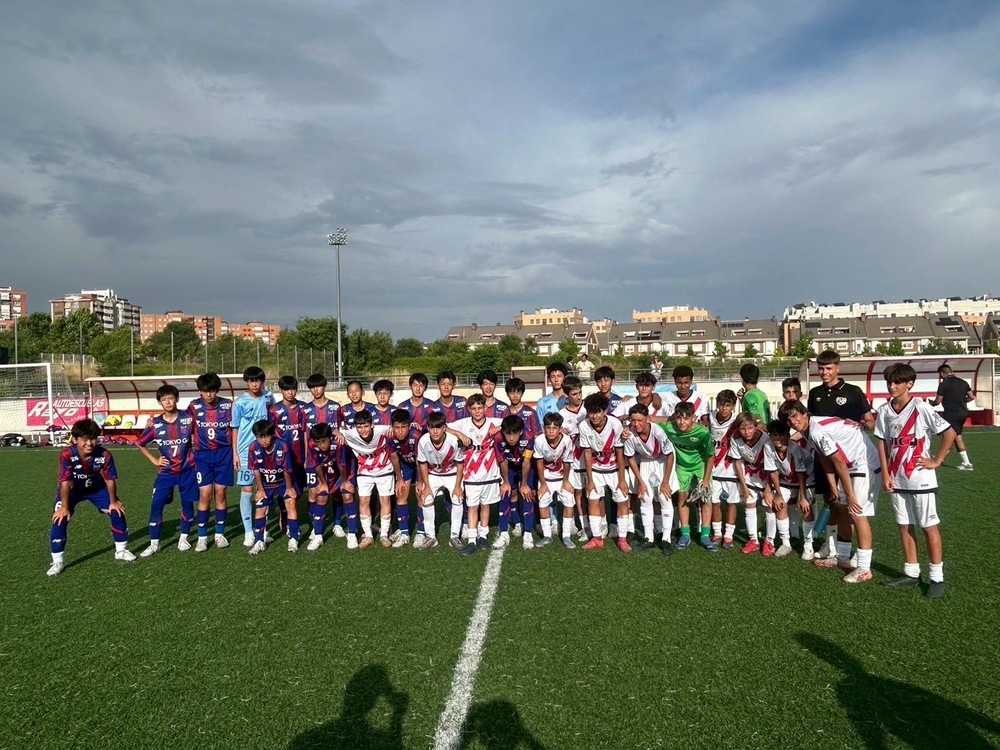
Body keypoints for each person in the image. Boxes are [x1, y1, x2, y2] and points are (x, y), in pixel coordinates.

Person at [875, 363, 955, 598]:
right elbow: (882, 441)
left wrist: (937, 460)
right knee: (904, 524)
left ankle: (937, 578)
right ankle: (911, 573)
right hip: (896, 478)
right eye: (889, 382)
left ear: (909, 383)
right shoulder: (884, 410)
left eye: (897, 382)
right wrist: (886, 474)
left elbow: (949, 432)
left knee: (928, 526)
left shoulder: (921, 407)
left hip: (920, 478)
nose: (892, 386)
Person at [779, 400, 880, 584]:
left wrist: (850, 495)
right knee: (840, 508)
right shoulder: (809, 430)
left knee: (857, 513)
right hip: (851, 465)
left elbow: (838, 461)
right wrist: (833, 486)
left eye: (794, 416)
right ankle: (842, 558)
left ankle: (864, 568)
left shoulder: (816, 430)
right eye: (788, 420)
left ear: (804, 413)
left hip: (864, 463)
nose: (792, 422)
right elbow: (824, 457)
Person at [806, 350, 874, 560]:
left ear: (838, 368)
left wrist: (862, 425)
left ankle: (855, 550)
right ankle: (831, 545)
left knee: (852, 507)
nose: (824, 372)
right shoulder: (815, 393)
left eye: (828, 368)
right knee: (832, 500)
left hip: (849, 459)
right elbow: (811, 424)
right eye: (821, 368)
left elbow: (871, 421)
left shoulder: (853, 392)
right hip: (825, 456)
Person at [47, 418, 135, 576]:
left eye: (93, 438)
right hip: (72, 490)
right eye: (85, 439)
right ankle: (57, 561)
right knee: (60, 518)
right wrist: (65, 507)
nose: (89, 443)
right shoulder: (67, 454)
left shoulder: (105, 454)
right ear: (75, 440)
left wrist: (114, 502)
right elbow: (65, 482)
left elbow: (110, 479)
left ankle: (121, 551)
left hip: (96, 488)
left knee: (117, 511)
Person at [137, 384, 200, 556]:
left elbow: (201, 433)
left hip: (187, 470)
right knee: (156, 504)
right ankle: (154, 544)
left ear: (176, 399)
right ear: (160, 402)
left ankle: (184, 538)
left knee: (187, 503)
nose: (168, 402)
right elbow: (140, 443)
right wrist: (154, 460)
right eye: (164, 399)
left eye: (170, 398)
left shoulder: (189, 418)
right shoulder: (155, 423)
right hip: (166, 472)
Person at [338, 410, 404, 549]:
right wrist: (337, 433)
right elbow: (334, 431)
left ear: (372, 425)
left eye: (366, 426)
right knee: (363, 501)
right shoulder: (351, 433)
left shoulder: (382, 430)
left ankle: (384, 535)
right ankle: (368, 535)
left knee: (385, 500)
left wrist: (399, 478)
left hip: (384, 469)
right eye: (360, 427)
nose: (363, 430)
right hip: (364, 471)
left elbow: (394, 453)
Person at [450, 394, 507, 555]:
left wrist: (500, 428)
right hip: (471, 475)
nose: (477, 411)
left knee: (486, 506)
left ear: (485, 408)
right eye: (473, 408)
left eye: (480, 408)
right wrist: (459, 434)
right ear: (469, 409)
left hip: (490, 474)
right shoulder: (463, 423)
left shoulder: (493, 422)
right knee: (472, 507)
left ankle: (483, 536)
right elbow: (443, 426)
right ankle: (472, 540)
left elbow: (514, 422)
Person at [578, 393, 630, 553]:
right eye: (591, 412)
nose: (594, 416)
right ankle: (597, 538)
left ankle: (622, 539)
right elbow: (587, 454)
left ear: (605, 411)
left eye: (598, 412)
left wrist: (622, 479)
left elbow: (620, 452)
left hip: (614, 469)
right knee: (592, 500)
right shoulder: (584, 426)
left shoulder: (615, 424)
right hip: (596, 469)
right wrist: (590, 480)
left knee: (622, 501)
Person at [623, 403, 677, 555]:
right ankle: (649, 538)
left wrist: (665, 482)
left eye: (640, 420)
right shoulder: (630, 434)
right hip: (646, 461)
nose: (636, 424)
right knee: (645, 497)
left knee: (664, 497)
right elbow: (630, 458)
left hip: (663, 460)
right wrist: (640, 482)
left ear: (647, 419)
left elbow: (670, 455)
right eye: (633, 420)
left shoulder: (657, 431)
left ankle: (666, 539)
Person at [188, 372, 233, 552]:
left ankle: (219, 535)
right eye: (205, 391)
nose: (209, 394)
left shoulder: (228, 405)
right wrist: (153, 420)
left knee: (220, 493)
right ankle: (202, 537)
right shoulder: (194, 406)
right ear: (200, 391)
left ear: (217, 390)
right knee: (205, 494)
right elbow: (179, 420)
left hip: (224, 454)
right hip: (202, 455)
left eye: (212, 390)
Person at [231, 366, 275, 547]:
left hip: (265, 450)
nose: (254, 384)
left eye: (257, 380)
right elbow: (235, 428)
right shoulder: (239, 403)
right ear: (246, 382)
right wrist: (235, 453)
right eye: (251, 381)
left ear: (262, 381)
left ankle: (261, 529)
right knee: (247, 491)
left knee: (264, 490)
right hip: (245, 452)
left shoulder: (269, 397)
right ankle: (249, 532)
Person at [662, 402, 715, 551]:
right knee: (682, 496)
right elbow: (650, 420)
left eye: (686, 418)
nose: (682, 422)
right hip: (682, 466)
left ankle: (705, 535)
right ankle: (685, 534)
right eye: (679, 418)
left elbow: (711, 455)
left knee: (706, 497)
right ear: (675, 417)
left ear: (693, 418)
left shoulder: (703, 433)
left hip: (700, 465)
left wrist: (706, 480)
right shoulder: (669, 428)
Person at [764, 419, 816, 560]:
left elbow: (801, 474)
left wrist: (803, 497)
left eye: (781, 434)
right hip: (787, 479)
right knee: (779, 504)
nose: (778, 438)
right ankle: (786, 543)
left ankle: (808, 545)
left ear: (788, 435)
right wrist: (778, 495)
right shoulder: (768, 447)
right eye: (774, 435)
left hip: (807, 478)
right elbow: (772, 472)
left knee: (806, 507)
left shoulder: (795, 448)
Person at [246, 420, 299, 554]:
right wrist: (260, 489)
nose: (263, 440)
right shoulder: (253, 447)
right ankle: (259, 541)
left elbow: (287, 469)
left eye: (266, 436)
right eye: (260, 437)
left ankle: (294, 538)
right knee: (260, 507)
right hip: (265, 484)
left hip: (282, 482)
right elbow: (255, 469)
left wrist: (289, 488)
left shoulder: (282, 446)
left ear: (272, 434)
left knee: (291, 503)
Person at [415, 411, 466, 550]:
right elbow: (422, 463)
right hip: (433, 473)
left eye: (438, 427)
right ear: (428, 428)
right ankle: (431, 537)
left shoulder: (453, 441)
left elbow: (460, 463)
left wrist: (457, 486)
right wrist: (426, 485)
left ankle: (454, 536)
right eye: (432, 428)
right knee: (426, 499)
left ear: (444, 428)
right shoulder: (423, 441)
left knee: (457, 498)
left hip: (451, 473)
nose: (435, 431)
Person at [533, 412, 576, 549]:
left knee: (569, 500)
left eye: (554, 428)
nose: (551, 431)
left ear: (560, 429)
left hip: (563, 475)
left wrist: (566, 481)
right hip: (546, 476)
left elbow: (567, 462)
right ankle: (547, 535)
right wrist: (543, 483)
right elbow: (539, 462)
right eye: (548, 428)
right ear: (544, 428)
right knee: (543, 502)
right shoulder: (539, 440)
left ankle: (566, 535)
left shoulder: (566, 440)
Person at [492, 414, 535, 549]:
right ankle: (504, 533)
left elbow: (527, 462)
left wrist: (524, 484)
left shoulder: (528, 437)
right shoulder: (498, 438)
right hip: (509, 467)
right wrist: (505, 482)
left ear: (520, 432)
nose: (511, 438)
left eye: (515, 434)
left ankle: (528, 534)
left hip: (525, 467)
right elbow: (503, 461)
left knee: (527, 494)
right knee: (505, 493)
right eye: (508, 434)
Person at [708, 389, 739, 548]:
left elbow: (757, 424)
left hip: (730, 468)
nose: (724, 408)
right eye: (721, 404)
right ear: (717, 404)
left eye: (728, 405)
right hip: (713, 468)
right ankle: (717, 533)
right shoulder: (709, 417)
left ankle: (728, 535)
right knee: (714, 502)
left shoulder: (737, 420)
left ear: (733, 406)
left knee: (731, 503)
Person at [929, 364, 974, 470]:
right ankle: (941, 457)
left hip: (952, 413)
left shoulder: (944, 384)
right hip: (963, 413)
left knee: (953, 437)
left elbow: (938, 401)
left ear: (941, 374)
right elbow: (972, 397)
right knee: (954, 436)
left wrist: (931, 404)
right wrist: (962, 401)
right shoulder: (963, 382)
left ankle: (966, 463)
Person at [302, 422, 339, 551]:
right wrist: (323, 482)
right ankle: (316, 528)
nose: (321, 444)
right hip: (315, 466)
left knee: (336, 495)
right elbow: (316, 464)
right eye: (319, 442)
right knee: (314, 493)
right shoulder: (313, 444)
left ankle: (337, 525)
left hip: (332, 467)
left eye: (324, 441)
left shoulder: (337, 443)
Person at [388, 408, 421, 547]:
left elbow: (420, 460)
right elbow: (394, 458)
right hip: (405, 465)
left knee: (421, 494)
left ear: (409, 426)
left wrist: (420, 481)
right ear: (392, 427)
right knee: (401, 494)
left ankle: (421, 532)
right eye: (397, 427)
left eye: (403, 427)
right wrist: (400, 479)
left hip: (421, 464)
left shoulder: (416, 435)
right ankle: (404, 533)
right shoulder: (390, 438)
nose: (400, 431)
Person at [534, 362, 568, 430]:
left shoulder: (571, 400)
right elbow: (540, 426)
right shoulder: (542, 402)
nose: (556, 380)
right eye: (553, 377)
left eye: (559, 376)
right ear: (549, 379)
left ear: (565, 377)